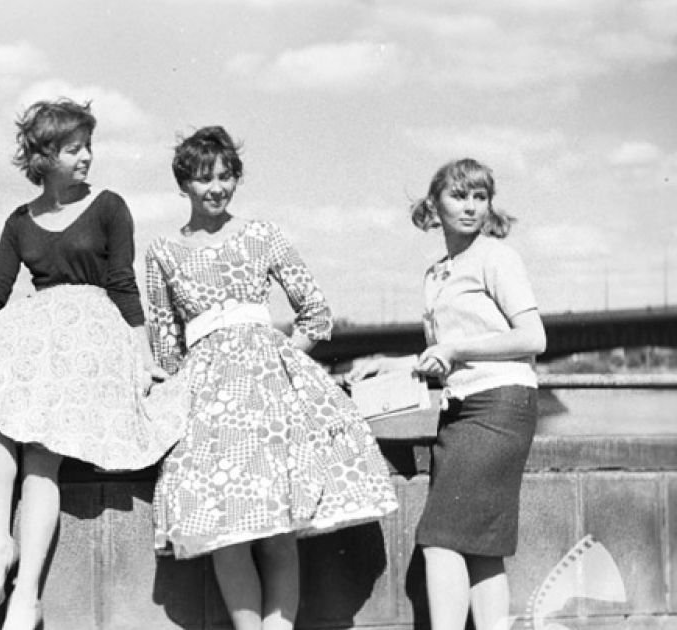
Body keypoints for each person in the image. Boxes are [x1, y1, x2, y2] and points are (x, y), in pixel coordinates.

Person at [0, 98, 186, 630]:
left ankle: (26, 594)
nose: (87, 158)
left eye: (88, 147)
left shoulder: (109, 206)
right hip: (36, 333)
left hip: (90, 335)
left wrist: (143, 357)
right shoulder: (19, 221)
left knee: (43, 451)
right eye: (75, 149)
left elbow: (123, 284)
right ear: (45, 156)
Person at [146, 126, 399, 630]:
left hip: (270, 391)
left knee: (280, 527)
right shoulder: (162, 252)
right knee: (226, 529)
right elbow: (164, 340)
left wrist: (277, 354)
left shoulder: (262, 235)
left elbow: (316, 312)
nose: (215, 188)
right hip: (209, 400)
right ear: (183, 184)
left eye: (225, 176)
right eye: (202, 178)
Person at [349, 158, 546, 630]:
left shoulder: (497, 257)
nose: (471, 207)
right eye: (460, 196)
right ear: (434, 204)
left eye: (481, 197)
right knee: (480, 547)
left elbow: (533, 337)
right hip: (461, 408)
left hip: (500, 405)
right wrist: (392, 362)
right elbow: (445, 352)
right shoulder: (437, 274)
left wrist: (453, 348)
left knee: (439, 538)